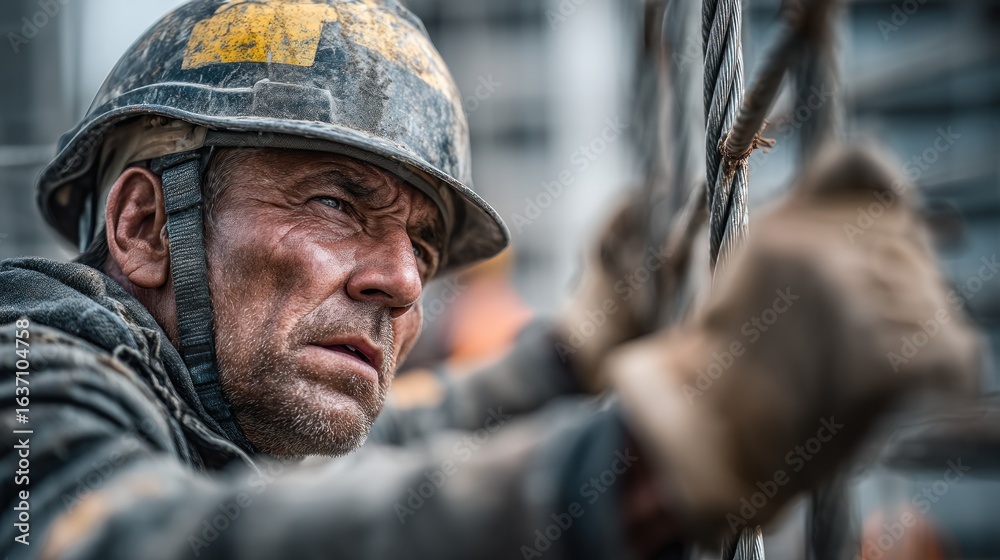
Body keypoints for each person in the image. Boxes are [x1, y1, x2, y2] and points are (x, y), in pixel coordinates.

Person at [0, 1, 980, 558]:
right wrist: (677, 441)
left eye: (423, 247)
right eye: (338, 204)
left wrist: (571, 354)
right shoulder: (27, 373)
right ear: (140, 225)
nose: (399, 281)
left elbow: (390, 448)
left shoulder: (206, 417)